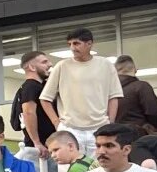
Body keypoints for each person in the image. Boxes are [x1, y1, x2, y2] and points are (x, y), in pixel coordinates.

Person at [39, 28, 122, 156]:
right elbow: (45, 98)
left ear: (89, 44)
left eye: (76, 43)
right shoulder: (62, 66)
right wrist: (57, 123)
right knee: (69, 171)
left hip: (99, 127)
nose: (72, 48)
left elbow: (114, 96)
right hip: (70, 128)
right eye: (70, 44)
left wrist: (110, 123)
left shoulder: (106, 65)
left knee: (101, 170)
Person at [10, 50, 59, 172]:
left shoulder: (40, 86)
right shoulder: (31, 86)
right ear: (31, 67)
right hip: (40, 148)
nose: (49, 64)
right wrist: (37, 142)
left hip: (42, 146)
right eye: (44, 62)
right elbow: (28, 113)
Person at [113, 56, 157, 135]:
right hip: (140, 136)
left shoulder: (110, 91)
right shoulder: (141, 87)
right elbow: (154, 112)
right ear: (135, 70)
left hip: (118, 137)